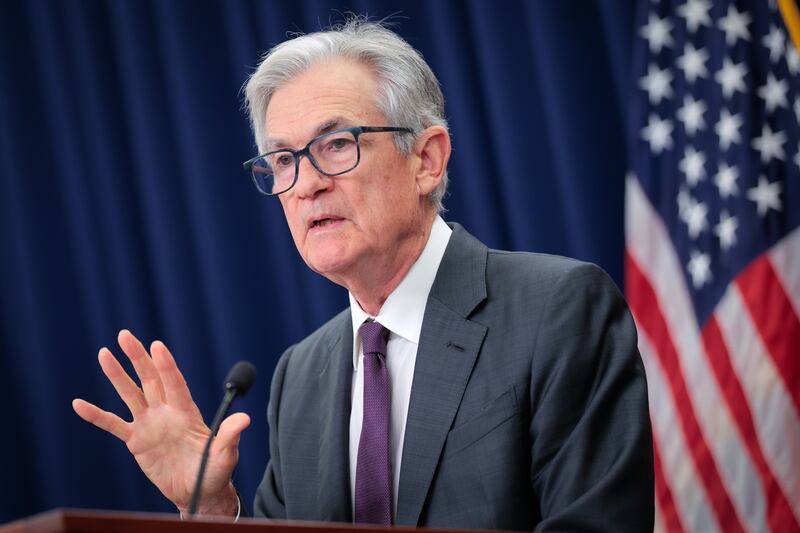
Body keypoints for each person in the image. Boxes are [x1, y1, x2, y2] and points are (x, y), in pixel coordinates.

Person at [72, 18, 654, 532]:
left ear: (427, 160)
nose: (305, 184)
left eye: (335, 145)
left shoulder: (556, 308)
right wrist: (213, 511)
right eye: (282, 161)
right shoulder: (301, 376)